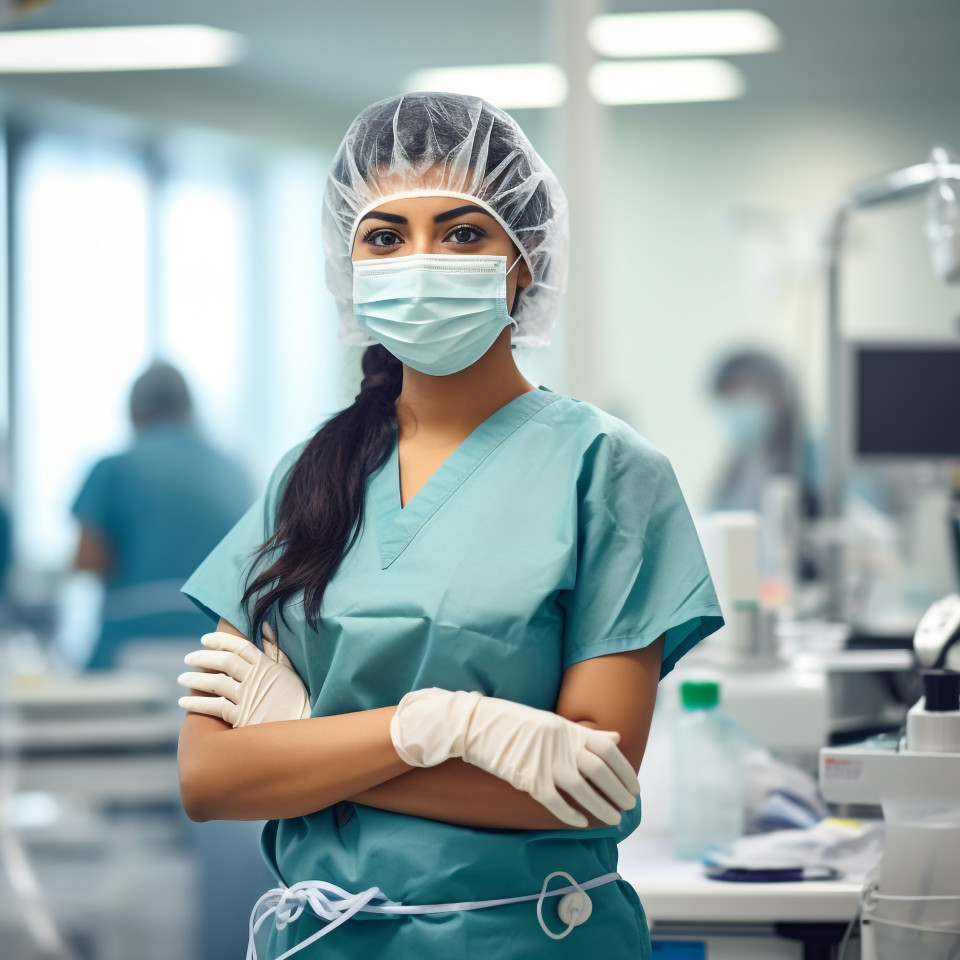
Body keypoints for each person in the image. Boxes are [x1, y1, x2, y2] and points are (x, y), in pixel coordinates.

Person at [176, 92, 724, 959]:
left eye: (464, 233)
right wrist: (432, 727)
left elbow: (586, 791)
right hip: (321, 941)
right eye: (387, 237)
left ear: (524, 259)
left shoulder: (608, 473)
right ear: (349, 263)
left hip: (530, 938)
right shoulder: (308, 478)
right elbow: (210, 778)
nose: (422, 261)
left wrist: (310, 742)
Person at [72, 362, 251, 670]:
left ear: (134, 413)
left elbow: (89, 559)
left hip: (130, 648)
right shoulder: (235, 472)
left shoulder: (114, 468)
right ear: (189, 409)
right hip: (217, 651)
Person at [709, 349, 818, 516]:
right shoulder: (737, 468)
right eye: (729, 400)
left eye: (743, 395)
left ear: (779, 393)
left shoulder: (816, 459)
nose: (735, 410)